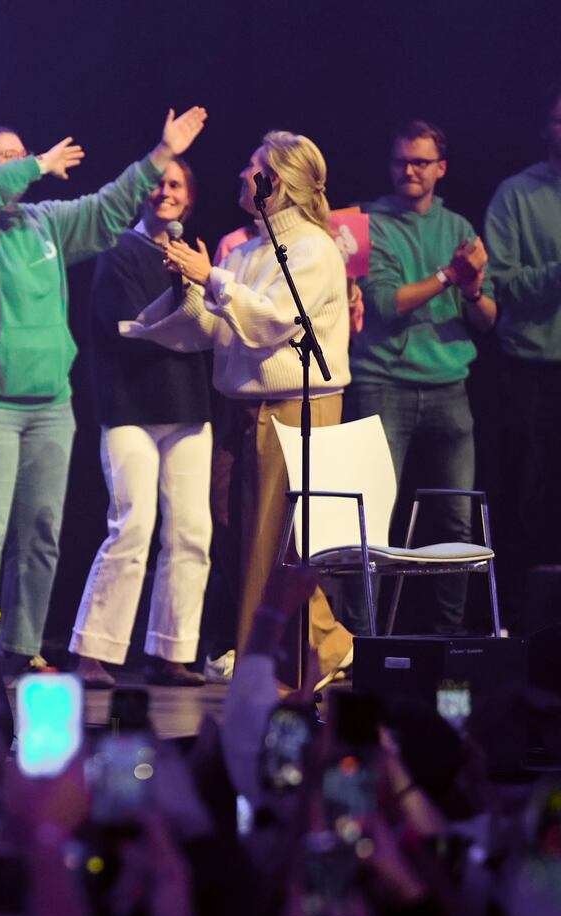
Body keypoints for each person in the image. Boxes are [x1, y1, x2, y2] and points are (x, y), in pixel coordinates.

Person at [0, 106, 208, 674]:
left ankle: (21, 645)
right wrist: (34, 162)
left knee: (40, 534)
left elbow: (109, 208)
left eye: (22, 153)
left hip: (48, 404)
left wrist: (160, 154)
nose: (22, 164)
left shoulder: (45, 222)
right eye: (6, 157)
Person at [124, 130, 353, 688]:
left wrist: (213, 280)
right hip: (242, 408)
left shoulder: (313, 249)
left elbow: (275, 320)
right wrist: (187, 291)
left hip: (293, 407)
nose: (241, 178)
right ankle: (327, 642)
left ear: (281, 182)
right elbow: (217, 329)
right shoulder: (246, 250)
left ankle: (271, 670)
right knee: (229, 525)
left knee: (268, 542)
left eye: (254, 170)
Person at [344, 120, 496, 635]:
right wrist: (451, 276)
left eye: (420, 162)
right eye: (400, 161)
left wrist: (472, 289)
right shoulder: (367, 221)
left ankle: (449, 641)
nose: (408, 170)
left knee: (455, 520)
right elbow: (385, 304)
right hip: (383, 383)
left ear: (441, 169)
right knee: (373, 522)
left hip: (449, 389)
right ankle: (363, 644)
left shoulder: (458, 227)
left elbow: (488, 318)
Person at [69, 159, 212, 689]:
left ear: (189, 199)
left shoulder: (193, 256)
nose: (164, 192)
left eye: (176, 184)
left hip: (188, 406)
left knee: (192, 531)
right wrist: (189, 299)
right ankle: (93, 653)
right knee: (132, 524)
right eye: (157, 183)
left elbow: (210, 322)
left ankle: (174, 652)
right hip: (130, 406)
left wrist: (199, 286)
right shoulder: (119, 252)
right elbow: (132, 326)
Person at [485, 85, 561, 625]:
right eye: (560, 122)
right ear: (545, 130)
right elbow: (503, 286)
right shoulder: (516, 193)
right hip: (531, 367)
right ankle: (525, 623)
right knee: (529, 500)